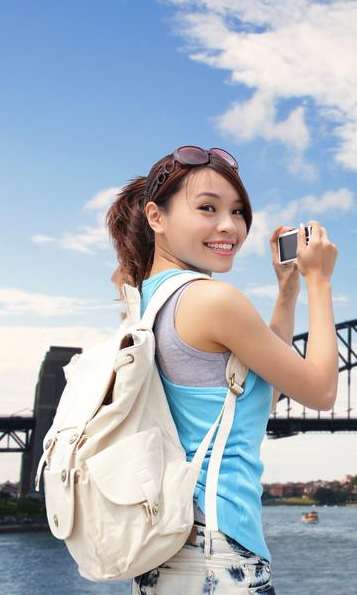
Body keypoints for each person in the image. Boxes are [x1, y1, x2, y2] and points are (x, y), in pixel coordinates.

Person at [106, 145, 339, 594]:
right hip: (222, 556)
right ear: (156, 217)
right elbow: (322, 391)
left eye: (237, 211)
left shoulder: (147, 302)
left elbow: (253, 399)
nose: (229, 226)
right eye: (207, 208)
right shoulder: (212, 300)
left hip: (167, 556)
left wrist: (287, 293)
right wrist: (319, 281)